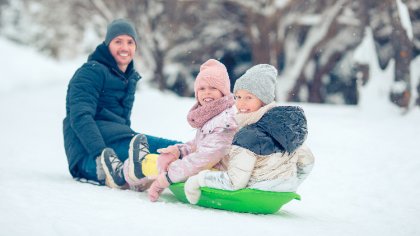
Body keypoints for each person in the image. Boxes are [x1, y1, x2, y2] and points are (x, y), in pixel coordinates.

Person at [63, 18, 178, 186]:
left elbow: (122, 123)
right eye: (118, 41)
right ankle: (192, 170)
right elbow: (80, 117)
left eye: (130, 42)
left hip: (118, 141)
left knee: (174, 149)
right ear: (107, 43)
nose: (125, 47)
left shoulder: (127, 78)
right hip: (88, 156)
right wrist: (100, 154)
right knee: (167, 154)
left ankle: (210, 165)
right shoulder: (90, 72)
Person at [183, 64, 315, 204]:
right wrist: (289, 183)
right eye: (238, 97)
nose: (241, 104)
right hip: (283, 193)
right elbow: (308, 161)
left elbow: (234, 183)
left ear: (263, 100)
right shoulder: (282, 126)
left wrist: (199, 180)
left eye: (249, 97)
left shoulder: (249, 135)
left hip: (258, 194)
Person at [140, 59, 239, 201]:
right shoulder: (212, 115)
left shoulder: (226, 120)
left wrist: (168, 178)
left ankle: (133, 172)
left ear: (223, 92)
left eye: (213, 88)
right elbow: (200, 145)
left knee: (154, 163)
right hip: (211, 166)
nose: (207, 93)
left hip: (221, 174)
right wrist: (179, 151)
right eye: (202, 89)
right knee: (160, 160)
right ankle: (132, 172)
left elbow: (206, 157)